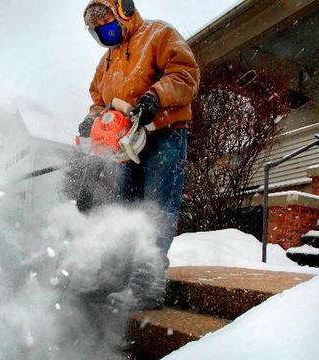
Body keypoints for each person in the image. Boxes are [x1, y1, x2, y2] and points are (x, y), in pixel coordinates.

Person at [79, 0, 200, 310]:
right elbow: (99, 101)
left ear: (125, 12)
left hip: (164, 136)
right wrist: (93, 120)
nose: (105, 36)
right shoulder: (106, 62)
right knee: (124, 210)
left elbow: (186, 76)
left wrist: (153, 97)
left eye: (108, 27)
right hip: (126, 145)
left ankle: (147, 286)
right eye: (98, 33)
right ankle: (112, 278)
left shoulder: (158, 35)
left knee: (156, 209)